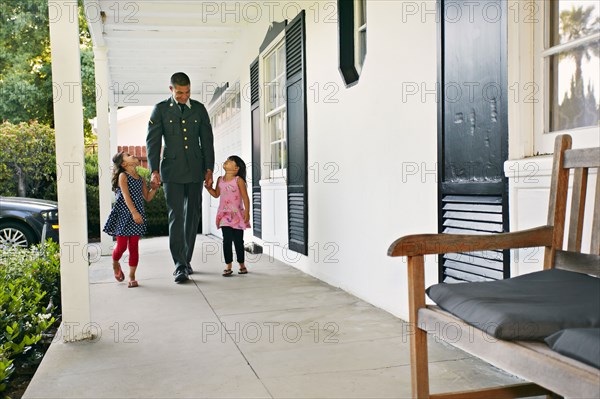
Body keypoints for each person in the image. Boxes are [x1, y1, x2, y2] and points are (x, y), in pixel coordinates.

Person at [146, 72, 215, 283]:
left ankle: (185, 260)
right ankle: (179, 265)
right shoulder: (160, 109)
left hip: (195, 170)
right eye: (179, 93)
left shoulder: (200, 109)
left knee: (192, 217)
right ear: (171, 90)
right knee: (176, 216)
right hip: (172, 172)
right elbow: (153, 142)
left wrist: (209, 169)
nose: (184, 96)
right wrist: (154, 170)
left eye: (187, 92)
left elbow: (207, 142)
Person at [103, 151, 157, 288]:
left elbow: (148, 197)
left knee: (134, 246)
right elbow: (126, 196)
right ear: (123, 163)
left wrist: (154, 188)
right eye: (128, 155)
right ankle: (115, 262)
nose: (132, 155)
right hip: (124, 215)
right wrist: (134, 212)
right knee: (121, 246)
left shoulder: (140, 179)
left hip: (136, 215)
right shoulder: (123, 176)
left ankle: (132, 275)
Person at [205, 156, 251, 276]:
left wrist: (247, 212)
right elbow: (216, 194)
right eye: (227, 159)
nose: (227, 161)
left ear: (236, 168)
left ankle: (241, 264)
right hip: (224, 215)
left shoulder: (238, 180)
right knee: (227, 240)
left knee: (238, 241)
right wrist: (209, 188)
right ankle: (228, 265)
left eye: (231, 161)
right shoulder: (220, 180)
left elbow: (245, 198)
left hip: (237, 216)